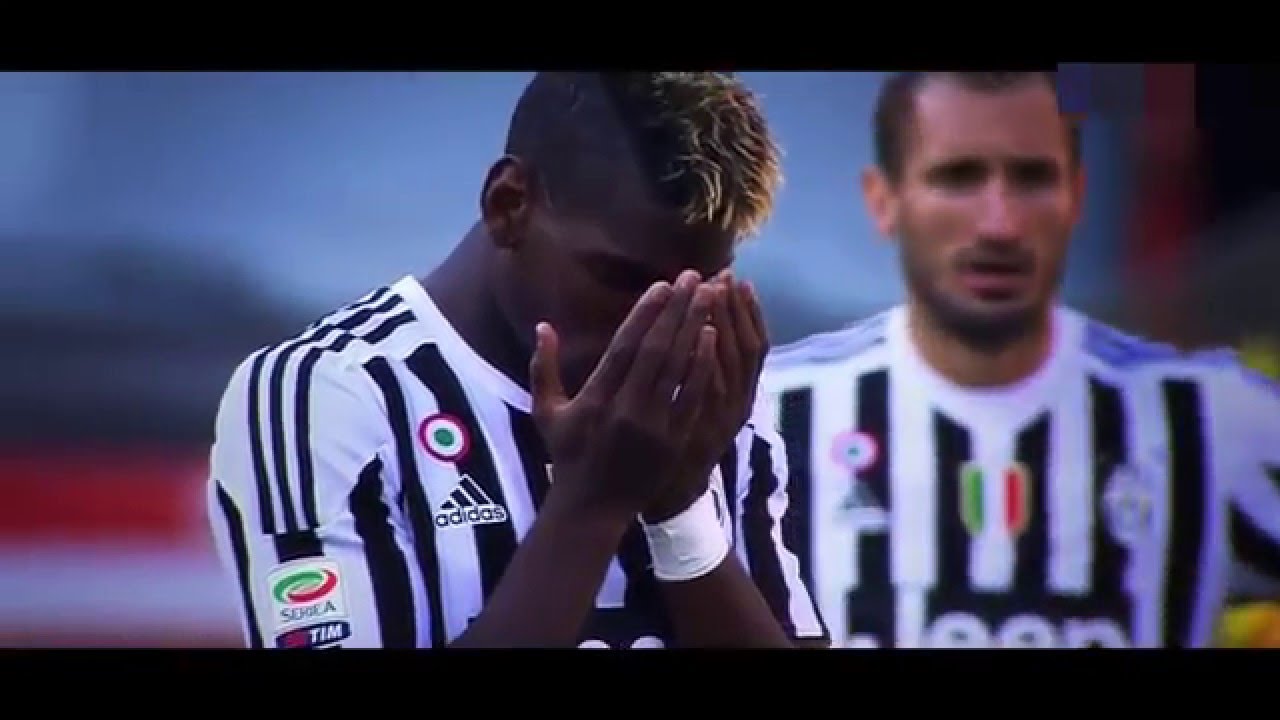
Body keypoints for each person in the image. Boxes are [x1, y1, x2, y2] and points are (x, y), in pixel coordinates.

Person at [205, 72, 827, 649]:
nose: (656, 332)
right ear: (508, 205)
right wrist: (594, 501)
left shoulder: (710, 395)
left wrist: (680, 509)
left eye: (695, 288)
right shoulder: (322, 394)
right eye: (620, 279)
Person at [760, 71, 1280, 648]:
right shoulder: (773, 422)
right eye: (957, 178)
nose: (999, 225)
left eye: (1032, 179)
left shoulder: (1208, 422)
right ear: (883, 200)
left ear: (1076, 196)